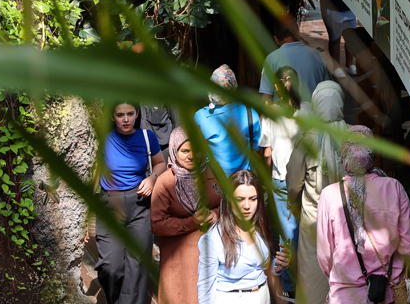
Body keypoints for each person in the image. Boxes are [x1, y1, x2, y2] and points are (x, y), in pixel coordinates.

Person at [316, 127, 410, 304]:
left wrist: (347, 278)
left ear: (344, 156)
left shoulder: (329, 195)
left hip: (344, 296)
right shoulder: (393, 187)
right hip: (387, 294)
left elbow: (325, 256)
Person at [96, 102, 165, 304]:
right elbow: (94, 174)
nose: (125, 119)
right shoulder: (103, 139)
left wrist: (152, 178)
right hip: (110, 203)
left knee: (137, 265)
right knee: (111, 266)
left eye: (130, 114)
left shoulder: (147, 137)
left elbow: (161, 163)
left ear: (137, 114)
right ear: (112, 117)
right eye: (120, 114)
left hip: (140, 204)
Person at [289, 81, 347, 304]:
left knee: (312, 276)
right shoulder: (355, 135)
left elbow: (294, 182)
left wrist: (291, 203)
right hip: (347, 218)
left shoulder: (306, 138)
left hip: (314, 219)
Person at [197, 169, 288, 304]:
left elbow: (258, 268)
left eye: (253, 199)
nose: (247, 206)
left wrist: (277, 265)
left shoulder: (259, 228)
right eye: (240, 199)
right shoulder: (213, 238)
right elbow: (205, 287)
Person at [259, 68, 302, 298]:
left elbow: (267, 151)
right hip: (305, 180)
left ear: (276, 87)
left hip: (280, 179)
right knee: (305, 232)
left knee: (287, 236)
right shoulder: (307, 112)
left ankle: (290, 288)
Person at [153, 129, 207, 304]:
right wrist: (191, 222)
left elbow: (227, 204)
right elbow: (158, 224)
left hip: (210, 255)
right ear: (174, 150)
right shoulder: (166, 181)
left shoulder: (212, 174)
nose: (192, 156)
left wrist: (216, 214)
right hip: (179, 257)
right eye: (185, 151)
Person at [195, 66, 262, 180]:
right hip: (243, 182)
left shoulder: (201, 116)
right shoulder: (250, 113)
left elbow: (195, 151)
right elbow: (257, 149)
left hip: (214, 184)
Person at [260, 20, 333, 103]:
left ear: (276, 39)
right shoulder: (317, 55)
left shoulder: (271, 59)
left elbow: (267, 98)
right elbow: (328, 89)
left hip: (285, 114)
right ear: (298, 34)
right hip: (315, 114)